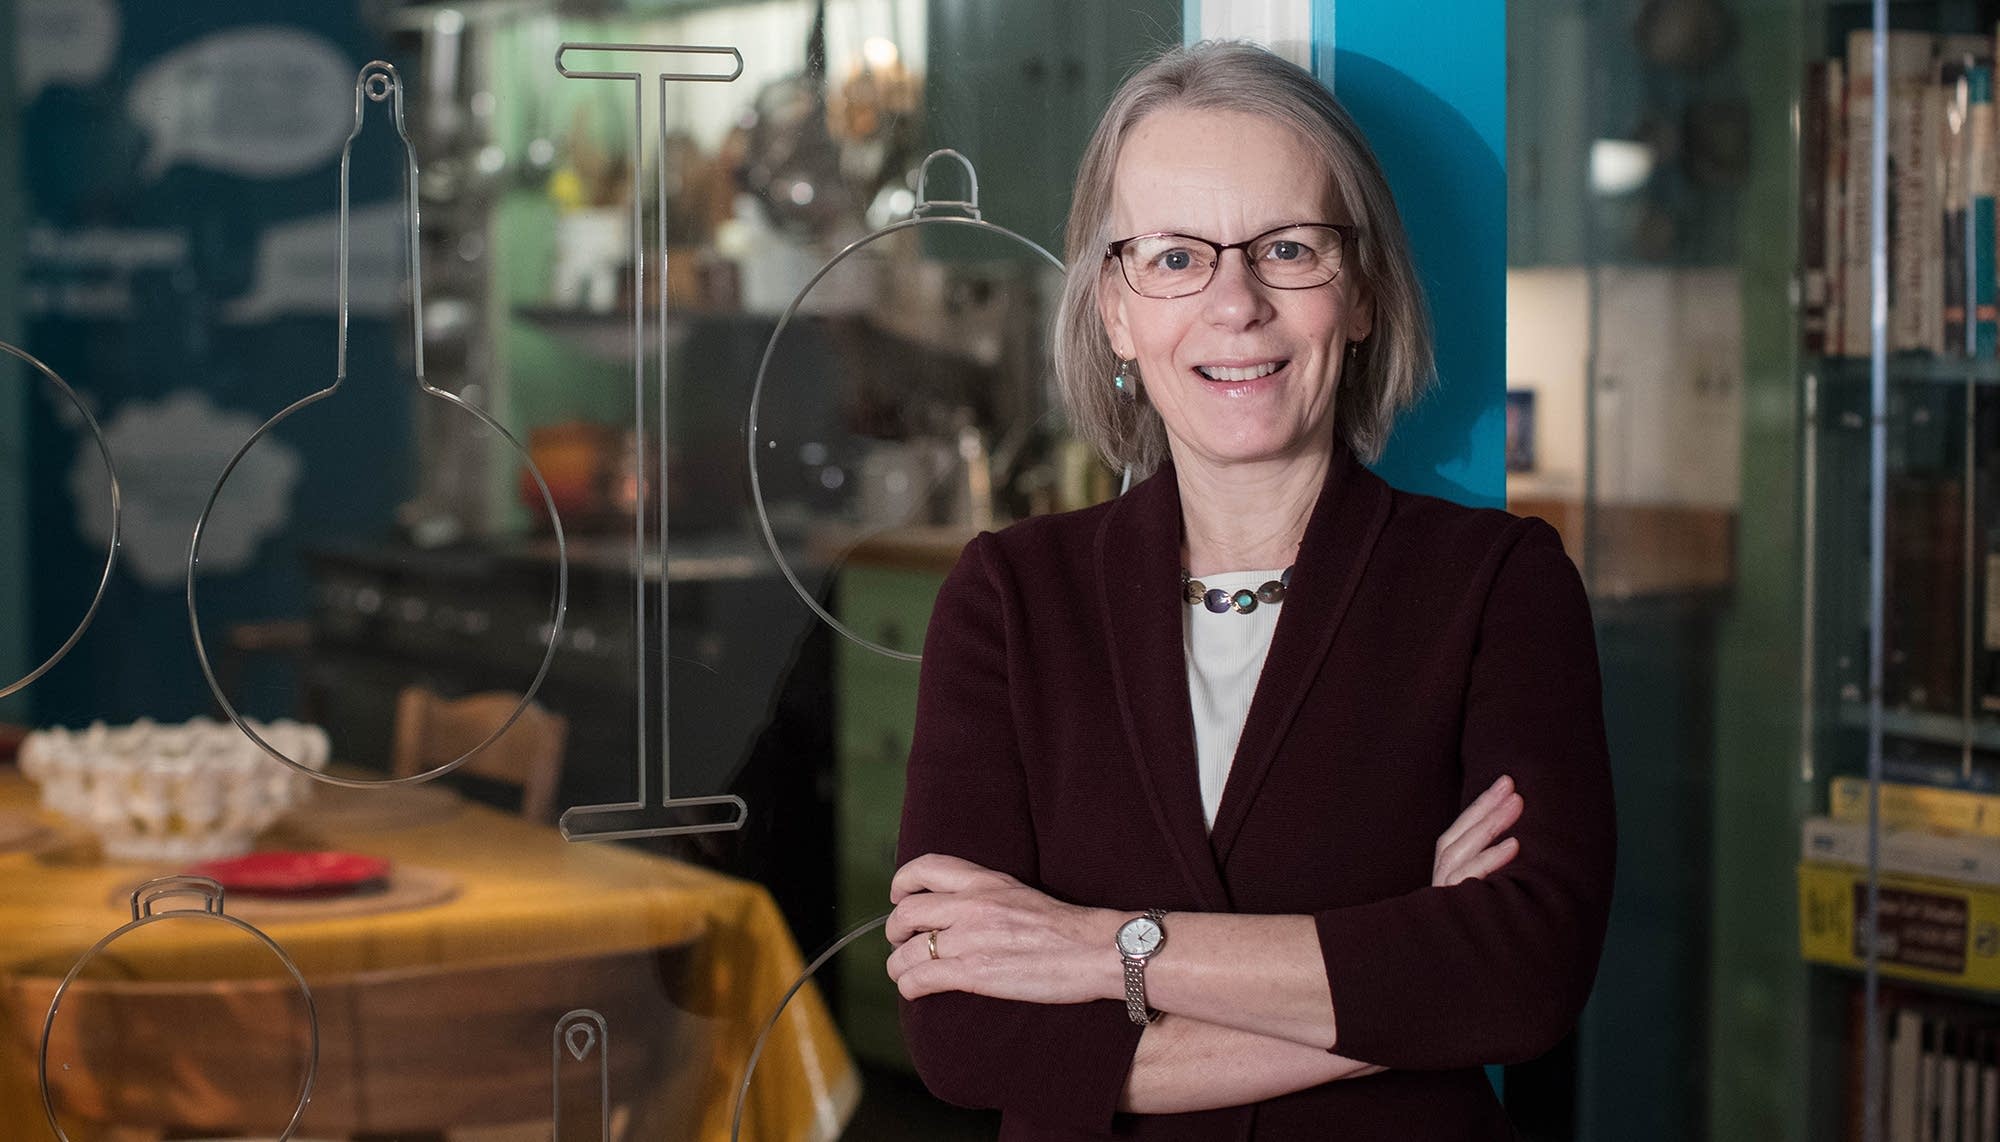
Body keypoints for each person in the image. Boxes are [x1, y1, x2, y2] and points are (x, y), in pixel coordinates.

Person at [884, 40, 1615, 1139]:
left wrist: (1096, 946)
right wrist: (1404, 974)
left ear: (1359, 292)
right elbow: (964, 1035)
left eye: (1285, 248)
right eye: (1174, 258)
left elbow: (1522, 976)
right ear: (1114, 312)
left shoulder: (1496, 587)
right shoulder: (1009, 596)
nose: (1235, 303)